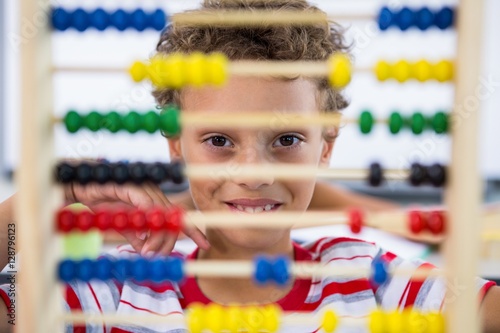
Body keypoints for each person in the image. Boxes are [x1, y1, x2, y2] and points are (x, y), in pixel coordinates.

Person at [1, 0, 499, 332]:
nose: (254, 172)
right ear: (176, 144)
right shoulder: (111, 292)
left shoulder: (366, 278)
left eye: (286, 139)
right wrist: (54, 191)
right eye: (219, 140)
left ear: (326, 146)